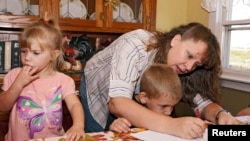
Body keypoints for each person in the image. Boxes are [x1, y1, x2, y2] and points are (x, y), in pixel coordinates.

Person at [79, 22, 241, 139]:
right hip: (97, 90)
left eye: (197, 64)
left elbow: (203, 104)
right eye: (189, 55)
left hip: (132, 99)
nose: (189, 66)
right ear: (176, 40)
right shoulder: (136, 44)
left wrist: (221, 115)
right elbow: (118, 103)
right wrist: (173, 125)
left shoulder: (183, 69)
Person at [0, 16, 85, 141]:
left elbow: (74, 105)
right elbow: (2, 107)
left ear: (53, 55)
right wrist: (18, 83)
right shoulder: (13, 75)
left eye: (35, 53)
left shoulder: (63, 80)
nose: (27, 57)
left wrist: (78, 126)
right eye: (24, 51)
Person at [109, 64, 182, 133]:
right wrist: (116, 127)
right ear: (144, 98)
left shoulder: (168, 111)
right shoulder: (127, 111)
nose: (169, 112)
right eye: (164, 106)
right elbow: (111, 132)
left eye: (172, 106)